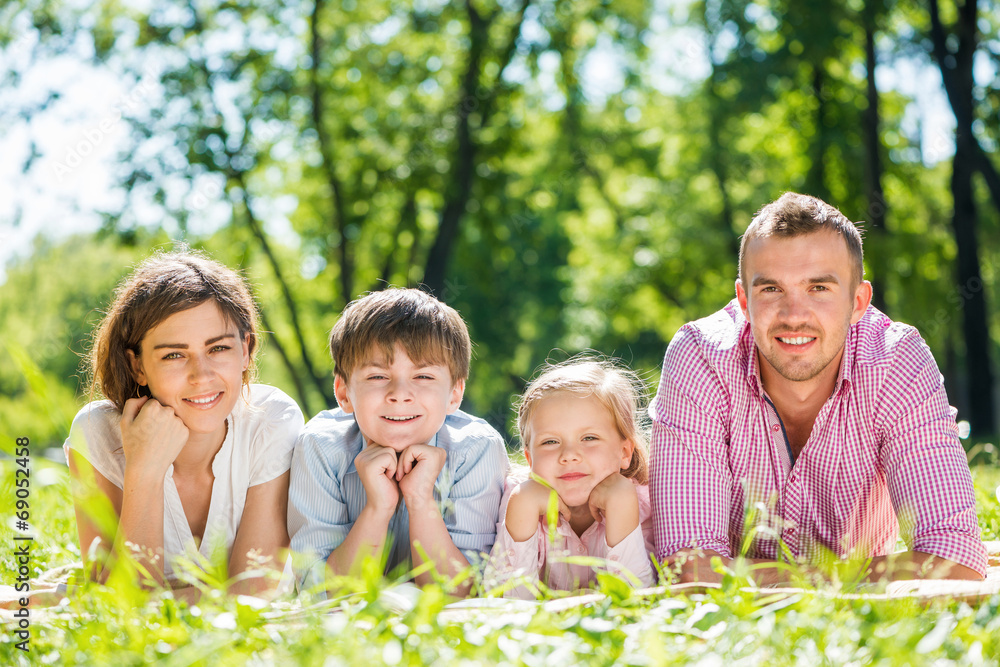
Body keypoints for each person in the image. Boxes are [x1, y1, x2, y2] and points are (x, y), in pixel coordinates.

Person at [650, 192, 988, 585]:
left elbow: (955, 558)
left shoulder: (896, 361)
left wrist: (797, 581)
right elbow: (688, 567)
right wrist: (843, 580)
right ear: (744, 300)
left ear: (857, 301)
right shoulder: (701, 357)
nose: (794, 316)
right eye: (771, 290)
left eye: (819, 288)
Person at [65, 251, 303, 595]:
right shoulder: (96, 433)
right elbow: (120, 610)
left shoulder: (272, 420)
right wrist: (144, 471)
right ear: (138, 367)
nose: (201, 376)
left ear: (245, 349)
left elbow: (251, 597)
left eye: (218, 348)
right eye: (173, 355)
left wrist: (76, 596)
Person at [287, 288, 508, 596]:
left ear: (455, 394)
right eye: (377, 376)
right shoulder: (321, 446)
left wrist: (419, 499)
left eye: (424, 377)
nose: (400, 393)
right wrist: (379, 506)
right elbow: (324, 594)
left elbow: (460, 593)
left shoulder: (476, 449)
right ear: (343, 392)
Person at [485, 358, 655, 598]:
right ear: (530, 460)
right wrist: (522, 506)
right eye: (550, 442)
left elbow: (639, 604)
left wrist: (621, 504)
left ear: (624, 452)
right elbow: (504, 607)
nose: (569, 455)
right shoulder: (521, 499)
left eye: (589, 438)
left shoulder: (645, 502)